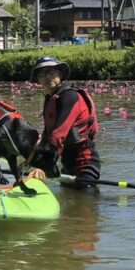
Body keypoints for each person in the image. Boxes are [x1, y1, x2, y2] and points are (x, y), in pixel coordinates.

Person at [31, 56, 102, 189]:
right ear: (38, 80)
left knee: (85, 203)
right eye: (42, 74)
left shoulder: (70, 97)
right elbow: (47, 134)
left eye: (51, 72)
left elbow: (58, 135)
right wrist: (32, 161)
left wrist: (43, 167)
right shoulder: (50, 99)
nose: (47, 77)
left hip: (85, 163)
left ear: (60, 74)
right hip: (67, 164)